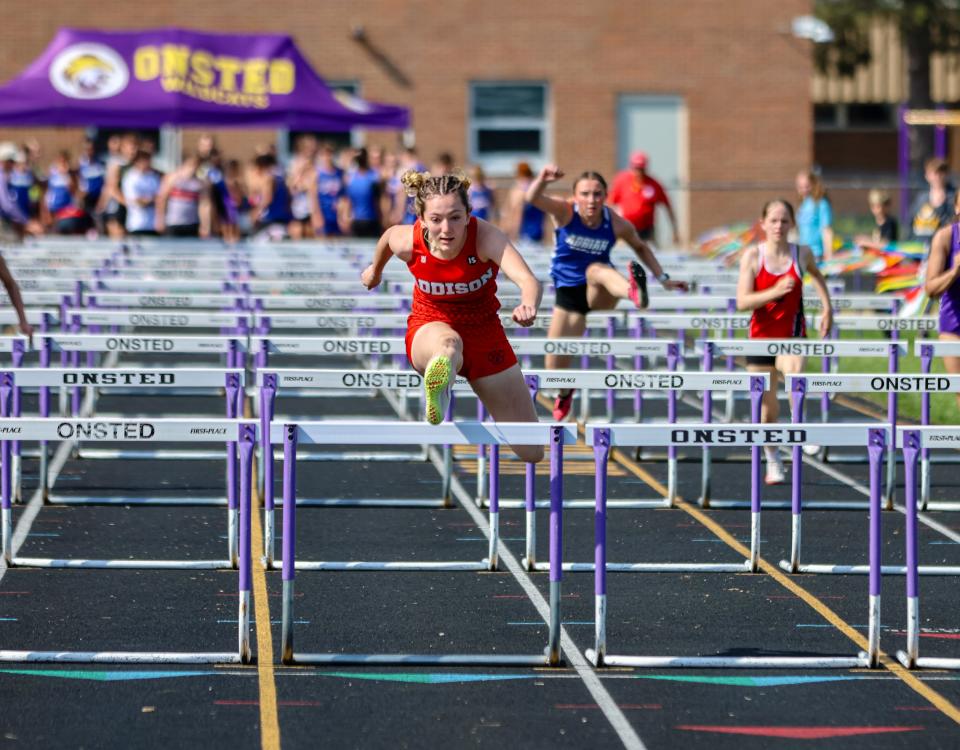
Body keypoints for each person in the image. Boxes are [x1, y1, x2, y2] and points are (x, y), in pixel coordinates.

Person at [360, 169, 544, 463]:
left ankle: (443, 383)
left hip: (484, 332)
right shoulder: (408, 240)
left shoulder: (486, 237)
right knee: (448, 344)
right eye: (436, 219)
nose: (446, 228)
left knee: (532, 450)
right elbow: (387, 239)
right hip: (430, 325)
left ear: (469, 213)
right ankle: (441, 382)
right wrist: (374, 271)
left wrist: (528, 304)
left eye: (456, 217)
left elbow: (528, 280)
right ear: (421, 218)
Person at [525, 164, 689, 421]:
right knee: (553, 365)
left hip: (601, 291)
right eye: (586, 194)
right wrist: (543, 180)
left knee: (596, 270)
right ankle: (565, 392)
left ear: (605, 196)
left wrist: (663, 278)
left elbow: (640, 246)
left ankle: (634, 292)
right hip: (569, 295)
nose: (591, 200)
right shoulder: (565, 212)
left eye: (597, 194)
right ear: (576, 196)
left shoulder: (616, 223)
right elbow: (532, 198)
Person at [736, 199, 833, 485]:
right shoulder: (753, 256)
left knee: (795, 376)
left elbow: (817, 277)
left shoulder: (802, 254)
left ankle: (802, 430)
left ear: (792, 224)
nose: (779, 226)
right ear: (763, 223)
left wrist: (828, 308)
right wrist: (775, 291)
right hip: (760, 338)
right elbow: (743, 301)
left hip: (792, 334)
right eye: (774, 220)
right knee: (767, 409)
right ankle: (774, 458)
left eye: (784, 220)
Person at [923, 192, 960, 410]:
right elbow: (930, 289)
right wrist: (955, 271)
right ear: (956, 207)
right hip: (954, 326)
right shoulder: (945, 237)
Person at [608, 151, 680, 246]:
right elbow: (610, 203)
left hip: (647, 230)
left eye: (641, 169)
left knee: (651, 254)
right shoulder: (622, 181)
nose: (639, 172)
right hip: (626, 229)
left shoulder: (654, 184)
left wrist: (674, 230)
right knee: (624, 255)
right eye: (636, 168)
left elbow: (667, 207)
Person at [155, 153, 210, 238]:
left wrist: (205, 225)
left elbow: (204, 204)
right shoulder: (172, 178)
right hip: (173, 223)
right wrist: (160, 220)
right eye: (191, 165)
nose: (193, 168)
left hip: (192, 223)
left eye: (196, 165)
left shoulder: (200, 182)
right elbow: (162, 199)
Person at [911, 158, 956, 245]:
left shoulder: (954, 197)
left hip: (942, 245)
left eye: (941, 173)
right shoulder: (921, 198)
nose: (938, 177)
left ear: (947, 175)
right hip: (919, 247)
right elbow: (912, 222)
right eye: (934, 173)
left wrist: (942, 206)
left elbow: (953, 224)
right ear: (927, 176)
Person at [795, 169, 834, 262]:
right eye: (800, 186)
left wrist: (828, 254)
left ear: (813, 185)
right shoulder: (802, 205)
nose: (803, 190)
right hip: (802, 254)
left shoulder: (821, 204)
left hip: (816, 254)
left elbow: (826, 230)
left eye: (807, 186)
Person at [120, 150, 161, 237]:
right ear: (137, 162)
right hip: (136, 225)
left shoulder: (154, 177)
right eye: (145, 161)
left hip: (153, 225)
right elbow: (137, 202)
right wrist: (151, 200)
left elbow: (160, 198)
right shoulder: (130, 178)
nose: (147, 163)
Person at [345, 148, 383, 238]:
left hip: (370, 219)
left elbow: (378, 200)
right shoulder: (352, 178)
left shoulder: (373, 177)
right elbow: (348, 200)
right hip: (359, 220)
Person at [505, 162, 544, 243]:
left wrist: (512, 234)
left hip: (524, 233)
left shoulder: (519, 191)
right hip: (537, 232)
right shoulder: (537, 189)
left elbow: (517, 213)